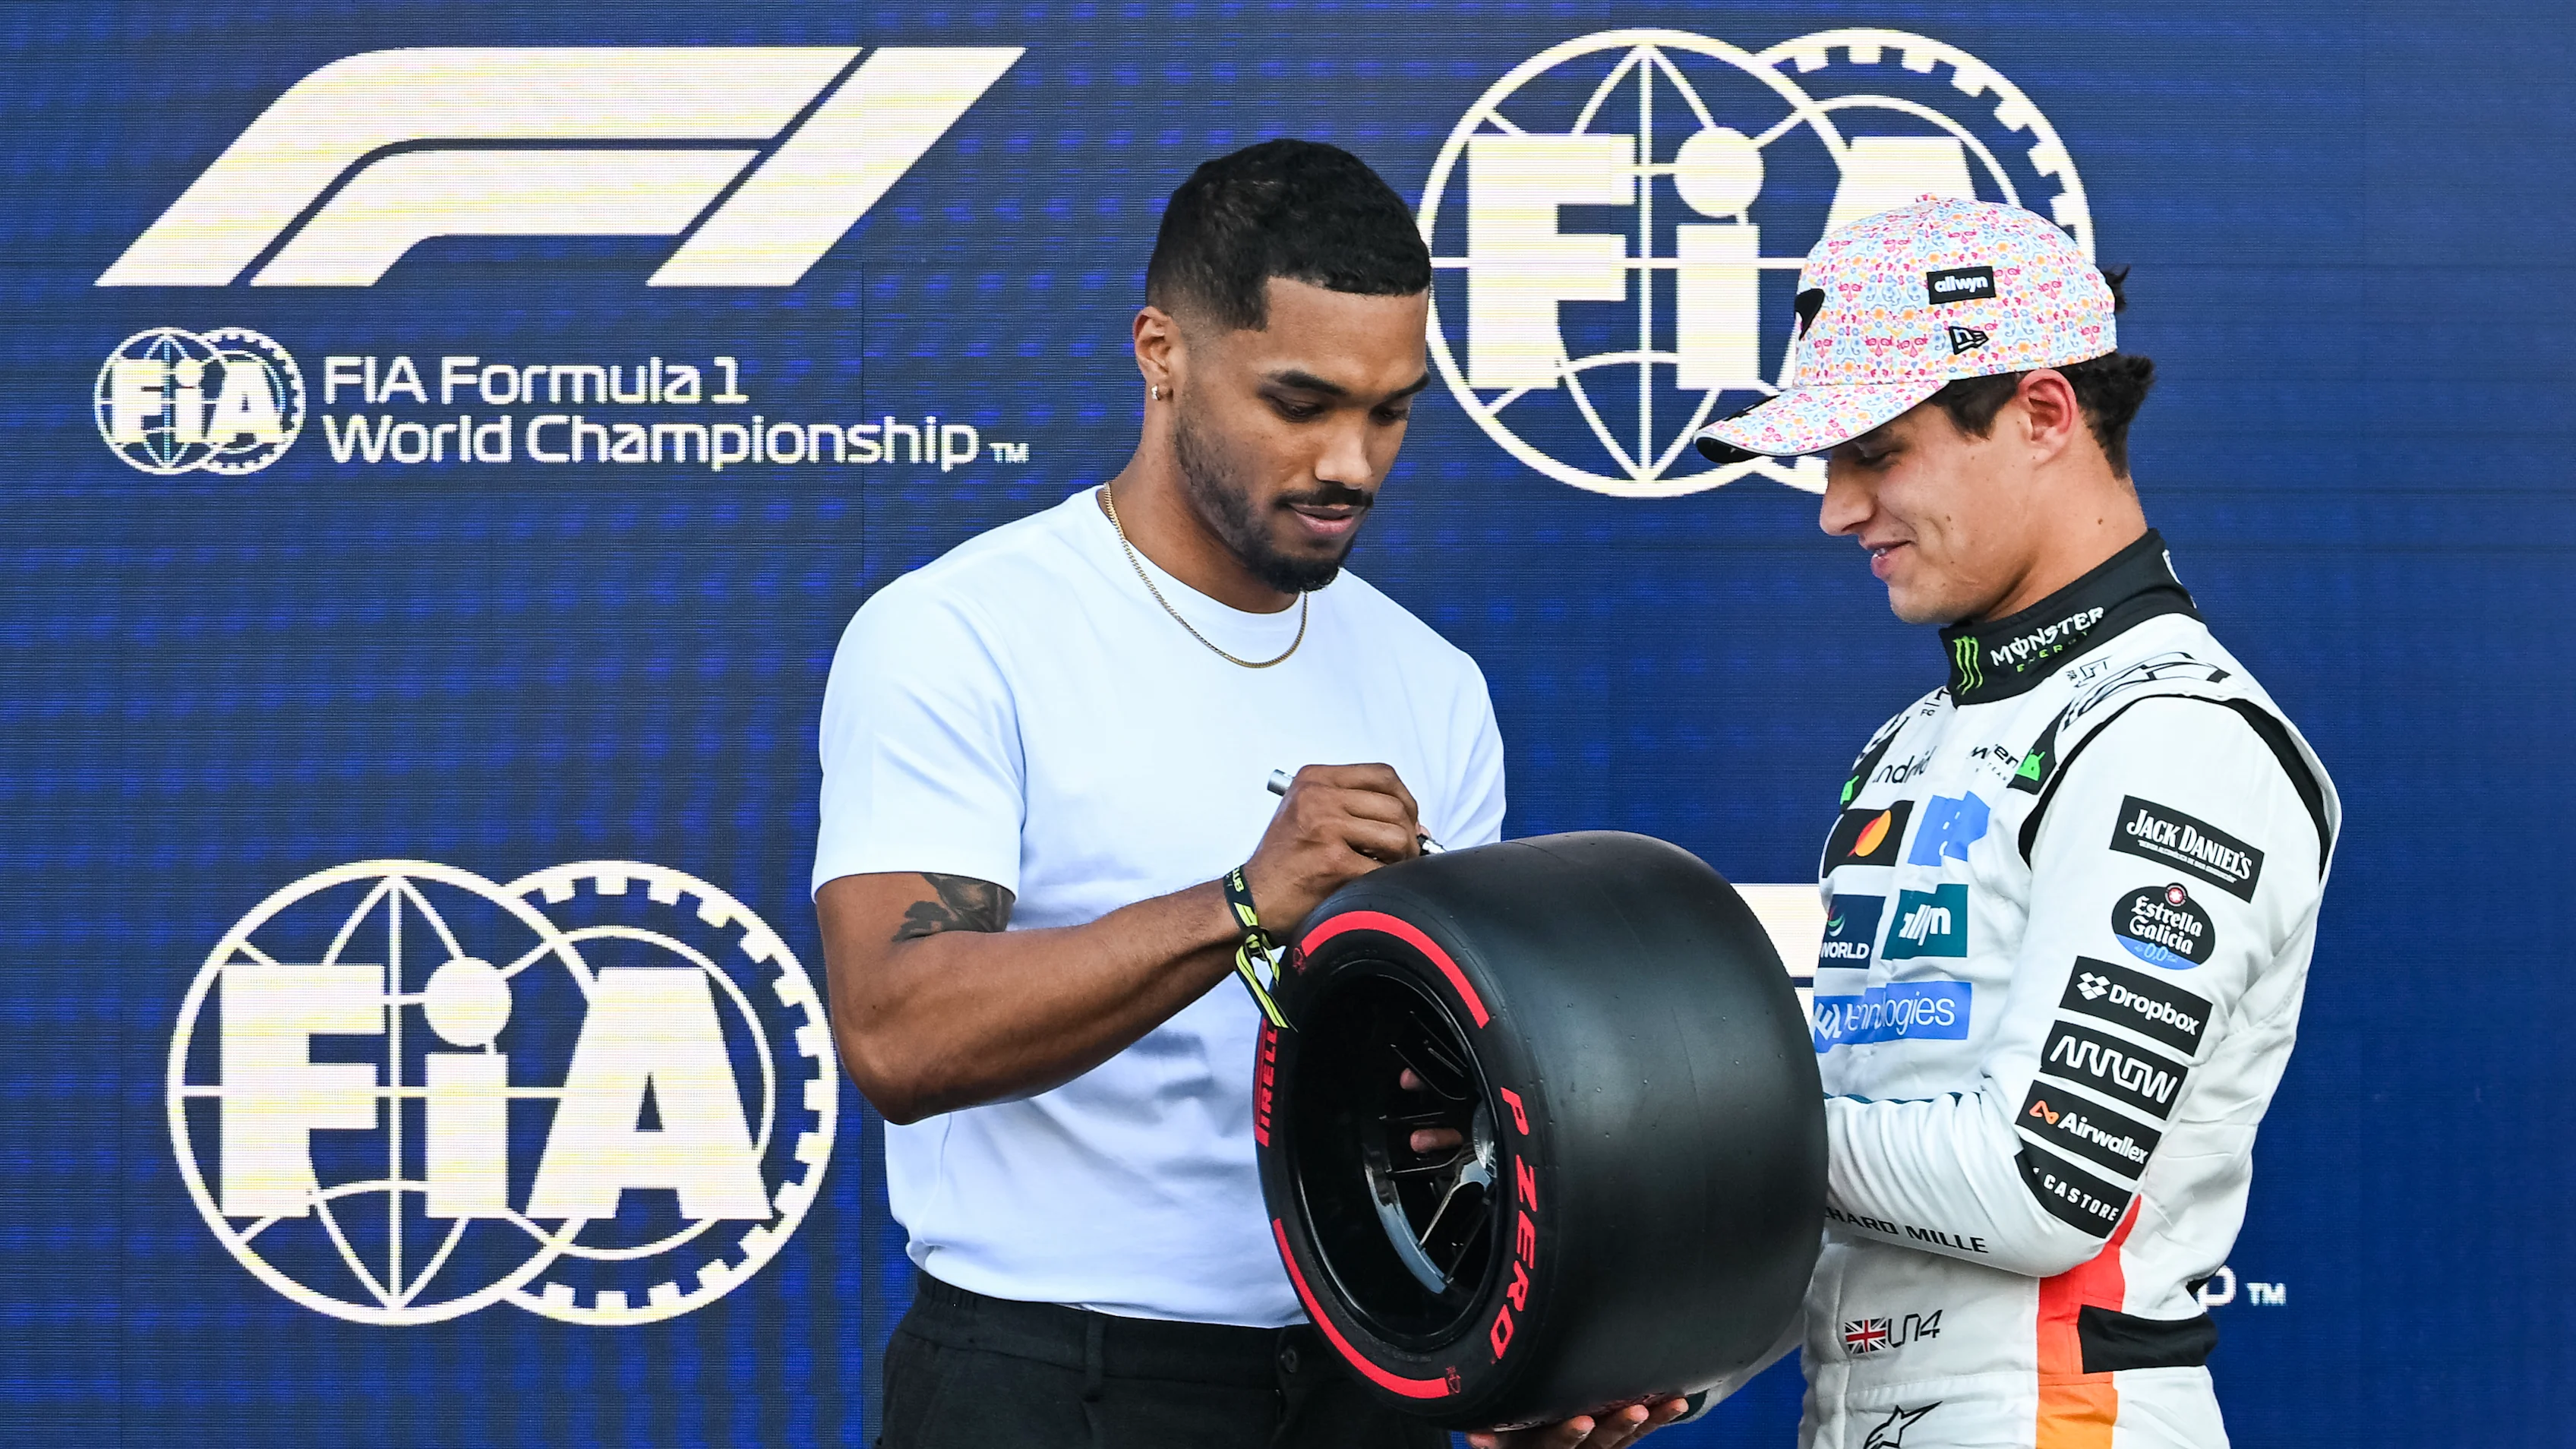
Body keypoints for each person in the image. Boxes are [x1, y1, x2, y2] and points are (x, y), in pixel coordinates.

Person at [814, 139, 1678, 1449]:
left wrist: (1521, 1355)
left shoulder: (1431, 684)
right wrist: (1243, 901)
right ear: (1161, 353)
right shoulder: (959, 632)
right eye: (1301, 401)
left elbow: (1450, 1103)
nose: (1352, 462)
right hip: (1050, 1379)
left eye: (1391, 411)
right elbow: (898, 1035)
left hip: (1367, 1381)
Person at [1691, 196, 2341, 1448]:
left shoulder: (2175, 732)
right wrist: (1658, 1370)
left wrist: (1677, 1130)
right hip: (1863, 1412)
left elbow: (2044, 1183)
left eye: (1876, 451)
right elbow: (1855, 1176)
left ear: (2043, 415)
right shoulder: (1907, 748)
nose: (1834, 509)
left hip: (2062, 1416)